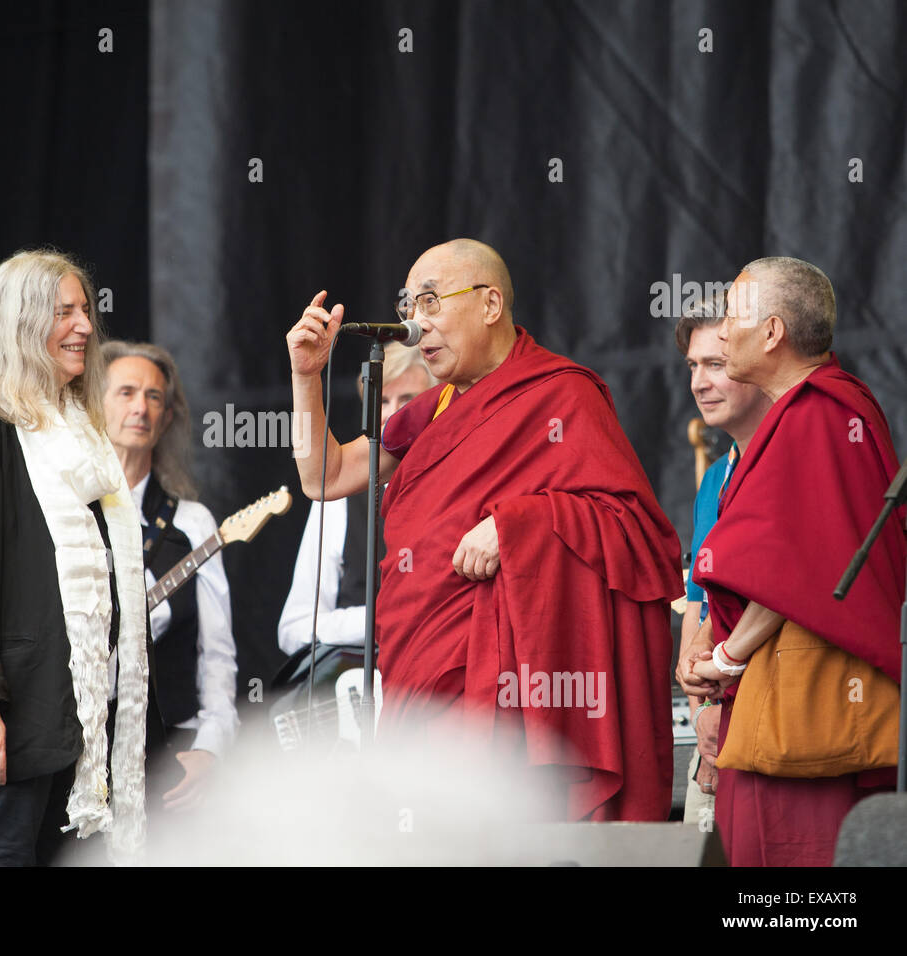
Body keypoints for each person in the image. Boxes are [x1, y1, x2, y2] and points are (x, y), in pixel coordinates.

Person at [285, 238, 684, 821]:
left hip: (508, 679)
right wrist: (305, 379)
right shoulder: (437, 408)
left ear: (490, 304)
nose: (415, 327)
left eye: (429, 303)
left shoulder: (560, 393)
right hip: (419, 661)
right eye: (407, 309)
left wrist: (522, 524)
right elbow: (325, 476)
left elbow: (636, 532)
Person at [682, 256, 904, 865]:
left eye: (732, 316)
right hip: (772, 690)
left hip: (810, 702)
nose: (723, 332)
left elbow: (800, 565)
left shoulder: (818, 412)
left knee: (796, 872)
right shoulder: (806, 412)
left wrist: (725, 658)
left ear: (773, 331)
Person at [0, 250, 149, 865]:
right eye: (63, 312)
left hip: (84, 723)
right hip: (15, 723)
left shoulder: (87, 436)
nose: (84, 325)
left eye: (85, 310)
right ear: (21, 325)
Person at [102, 340, 238, 812]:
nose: (140, 406)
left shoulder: (194, 523)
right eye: (126, 392)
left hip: (171, 752)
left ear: (165, 417)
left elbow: (216, 654)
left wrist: (211, 746)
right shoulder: (67, 516)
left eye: (154, 397)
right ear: (95, 404)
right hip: (85, 753)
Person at [673, 297, 772, 826]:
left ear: (761, 366)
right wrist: (703, 712)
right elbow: (696, 601)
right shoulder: (714, 478)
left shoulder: (793, 459)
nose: (699, 382)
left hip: (779, 724)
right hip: (716, 731)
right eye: (693, 365)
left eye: (717, 364)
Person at [277, 341, 436, 656]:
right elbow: (294, 628)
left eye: (408, 401)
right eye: (383, 401)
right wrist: (383, 621)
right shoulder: (340, 497)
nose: (392, 414)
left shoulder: (460, 486)